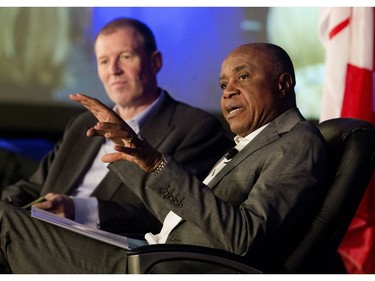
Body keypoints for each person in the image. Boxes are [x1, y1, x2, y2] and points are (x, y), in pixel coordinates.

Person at [0, 42, 328, 273]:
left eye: (243, 77)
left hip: (164, 268)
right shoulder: (254, 142)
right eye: (224, 83)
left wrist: (159, 165)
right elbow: (183, 218)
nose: (228, 91)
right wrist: (131, 149)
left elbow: (243, 238)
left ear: (283, 84)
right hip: (147, 252)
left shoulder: (296, 143)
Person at [0, 17, 233, 238]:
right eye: (104, 61)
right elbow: (33, 188)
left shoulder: (195, 128)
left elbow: (178, 214)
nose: (114, 70)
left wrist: (80, 210)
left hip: (105, 250)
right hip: (35, 235)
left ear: (155, 62)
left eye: (125, 57)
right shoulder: (82, 124)